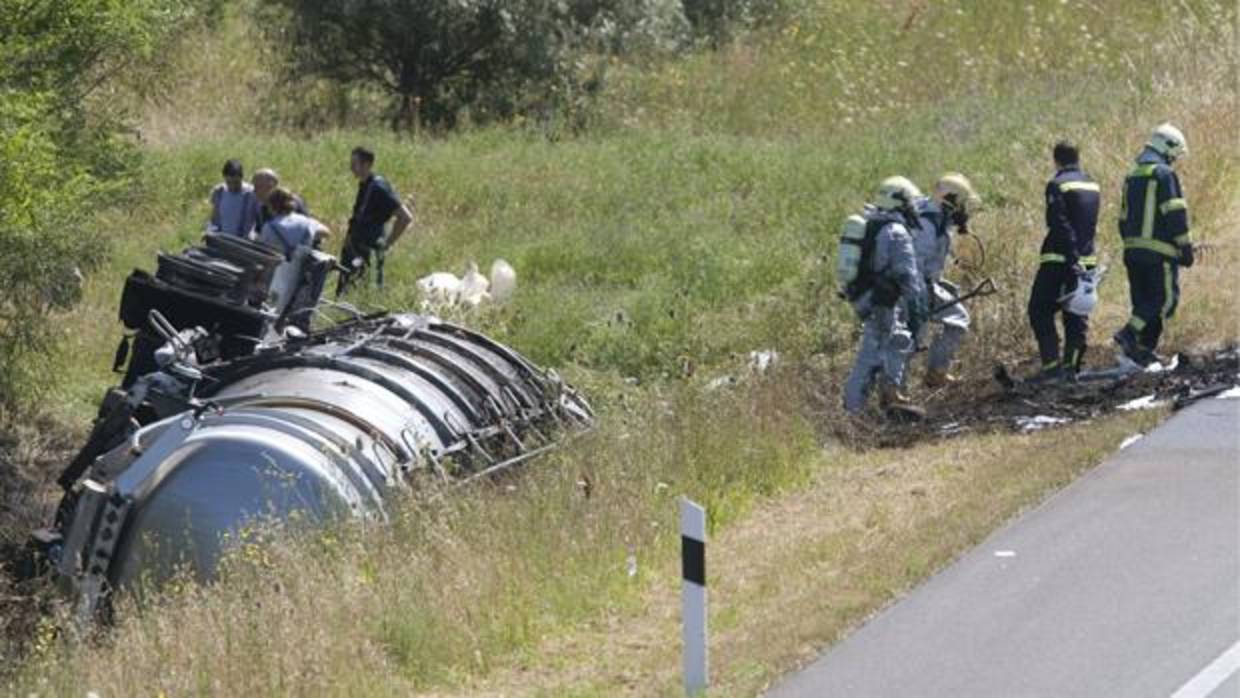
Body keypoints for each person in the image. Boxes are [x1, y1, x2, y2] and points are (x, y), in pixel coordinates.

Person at [843, 176, 928, 416]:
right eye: (910, 202)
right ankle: (852, 413)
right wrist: (918, 309)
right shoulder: (897, 232)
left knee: (898, 340)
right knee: (872, 353)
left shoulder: (873, 224)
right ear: (899, 203)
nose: (913, 208)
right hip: (881, 302)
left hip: (868, 297)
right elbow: (907, 276)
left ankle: (891, 395)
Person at [1113, 123, 1194, 367]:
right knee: (1162, 301)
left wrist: (1133, 244)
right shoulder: (1164, 175)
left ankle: (1144, 350)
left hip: (1132, 252)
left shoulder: (1133, 175)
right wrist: (1186, 247)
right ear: (1166, 149)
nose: (1174, 161)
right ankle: (1128, 334)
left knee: (1143, 302)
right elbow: (1174, 213)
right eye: (1174, 155)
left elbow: (1122, 218)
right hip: (1159, 254)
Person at [1026, 141, 1101, 382]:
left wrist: (1071, 258)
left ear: (1056, 160)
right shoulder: (1092, 184)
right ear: (1077, 158)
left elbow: (1058, 223)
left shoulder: (1057, 184)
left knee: (1039, 309)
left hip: (1059, 260)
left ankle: (1052, 368)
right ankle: (1072, 367)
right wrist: (1082, 260)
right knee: (1076, 314)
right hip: (1088, 259)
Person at [913, 173, 980, 388]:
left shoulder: (934, 218)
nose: (963, 210)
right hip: (914, 289)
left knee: (912, 340)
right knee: (910, 341)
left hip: (920, 285)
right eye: (960, 204)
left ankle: (934, 373)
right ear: (950, 200)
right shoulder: (928, 225)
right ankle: (932, 374)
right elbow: (915, 263)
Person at [338, 146, 414, 293]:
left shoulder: (379, 188)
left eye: (354, 164)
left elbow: (405, 217)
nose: (351, 168)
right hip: (355, 251)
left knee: (364, 295)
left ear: (367, 165)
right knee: (348, 294)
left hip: (368, 253)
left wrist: (387, 244)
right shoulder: (366, 185)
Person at [259, 187, 331, 261]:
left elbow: (262, 249)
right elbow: (326, 232)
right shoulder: (305, 221)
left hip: (277, 267)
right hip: (300, 267)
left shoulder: (269, 227)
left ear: (271, 206)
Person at [207, 159, 258, 236]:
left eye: (236, 183)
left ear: (241, 177)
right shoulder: (219, 191)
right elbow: (214, 218)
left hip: (244, 241)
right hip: (222, 239)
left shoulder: (251, 194)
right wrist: (210, 231)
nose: (233, 186)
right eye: (229, 182)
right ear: (224, 177)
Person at [252, 168, 309, 236]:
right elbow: (259, 231)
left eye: (257, 187)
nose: (254, 191)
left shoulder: (293, 202)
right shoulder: (262, 206)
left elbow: (306, 229)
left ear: (270, 187)